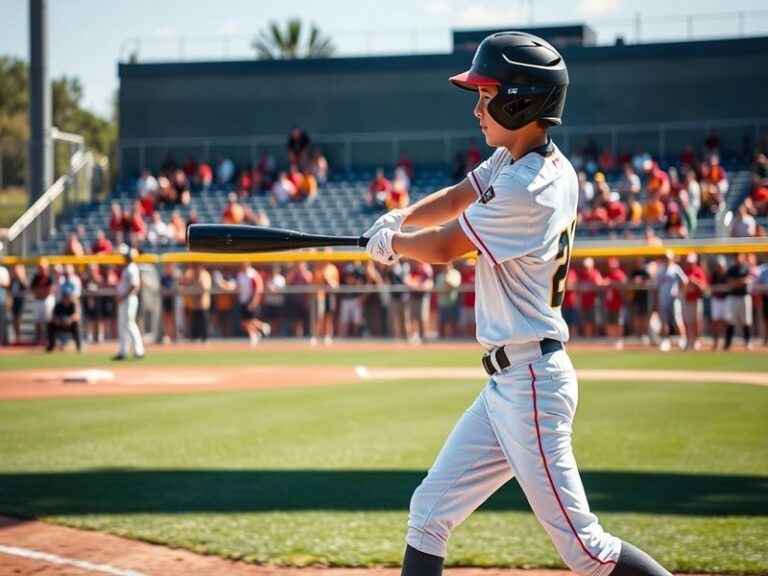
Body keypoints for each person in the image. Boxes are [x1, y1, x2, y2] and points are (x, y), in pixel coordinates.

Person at [362, 31, 671, 576]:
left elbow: (447, 245)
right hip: (509, 380)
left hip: (531, 382)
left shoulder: (529, 186)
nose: (477, 108)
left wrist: (395, 246)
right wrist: (401, 217)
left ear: (520, 101)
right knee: (428, 512)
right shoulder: (519, 161)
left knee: (588, 551)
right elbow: (462, 193)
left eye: (486, 97)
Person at [113, 247, 145, 360]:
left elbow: (134, 285)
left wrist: (123, 297)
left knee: (129, 324)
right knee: (123, 325)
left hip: (129, 299)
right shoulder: (127, 268)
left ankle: (139, 350)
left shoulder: (132, 268)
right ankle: (123, 351)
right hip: (125, 299)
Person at [653, 250, 688, 352]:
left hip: (674, 299)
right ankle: (665, 340)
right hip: (663, 300)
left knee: (677, 320)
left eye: (668, 258)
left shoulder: (676, 269)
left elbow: (684, 281)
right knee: (664, 322)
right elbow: (656, 286)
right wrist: (656, 301)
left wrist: (679, 291)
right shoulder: (661, 270)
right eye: (665, 258)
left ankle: (683, 340)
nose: (666, 260)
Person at [724, 253, 753, 350]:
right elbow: (730, 283)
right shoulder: (731, 269)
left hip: (744, 296)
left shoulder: (746, 268)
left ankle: (747, 342)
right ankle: (728, 344)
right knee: (731, 320)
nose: (737, 259)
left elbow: (748, 281)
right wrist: (741, 281)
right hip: (733, 297)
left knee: (746, 320)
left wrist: (737, 282)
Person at [681, 253, 708, 351]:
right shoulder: (685, 271)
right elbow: (682, 287)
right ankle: (689, 341)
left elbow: (704, 287)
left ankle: (696, 340)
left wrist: (694, 282)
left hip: (696, 299)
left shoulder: (699, 271)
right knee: (688, 321)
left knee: (696, 320)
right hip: (687, 299)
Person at [46, 283, 81, 353]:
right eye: (65, 295)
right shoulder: (58, 305)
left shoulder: (73, 305)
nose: (67, 297)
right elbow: (53, 316)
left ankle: (78, 347)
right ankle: (51, 346)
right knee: (50, 325)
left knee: (76, 325)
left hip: (70, 324)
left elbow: (77, 315)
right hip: (60, 324)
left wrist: (70, 320)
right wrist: (58, 321)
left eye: (68, 295)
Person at [183, 263, 212, 344]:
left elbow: (206, 287)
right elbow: (184, 282)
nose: (195, 268)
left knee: (203, 321)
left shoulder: (205, 274)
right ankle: (194, 337)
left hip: (203, 303)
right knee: (194, 322)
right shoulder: (191, 274)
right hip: (194, 304)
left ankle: (205, 338)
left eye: (196, 266)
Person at [31, 258, 57, 345]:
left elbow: (51, 289)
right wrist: (41, 291)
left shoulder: (50, 276)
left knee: (48, 321)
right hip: (38, 300)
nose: (41, 269)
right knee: (37, 321)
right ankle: (38, 339)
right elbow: (32, 289)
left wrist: (41, 291)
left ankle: (48, 339)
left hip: (47, 300)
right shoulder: (36, 277)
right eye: (40, 267)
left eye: (43, 267)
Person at [9, 264, 28, 344]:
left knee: (18, 318)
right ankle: (16, 336)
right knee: (14, 318)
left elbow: (25, 287)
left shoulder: (22, 279)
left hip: (20, 298)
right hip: (13, 298)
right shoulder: (13, 279)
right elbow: (9, 287)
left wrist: (20, 277)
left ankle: (19, 336)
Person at [0, 263, 9, 345]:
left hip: (1, 299)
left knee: (2, 321)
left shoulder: (3, 270)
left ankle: (2, 342)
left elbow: (7, 283)